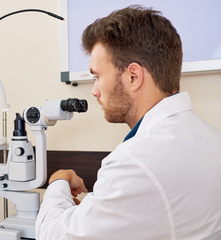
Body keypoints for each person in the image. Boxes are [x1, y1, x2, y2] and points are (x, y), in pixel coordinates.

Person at [36, 6, 221, 240]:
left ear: (133, 76)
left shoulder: (136, 163)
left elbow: (54, 235)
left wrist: (57, 182)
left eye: (97, 76)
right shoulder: (211, 138)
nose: (94, 91)